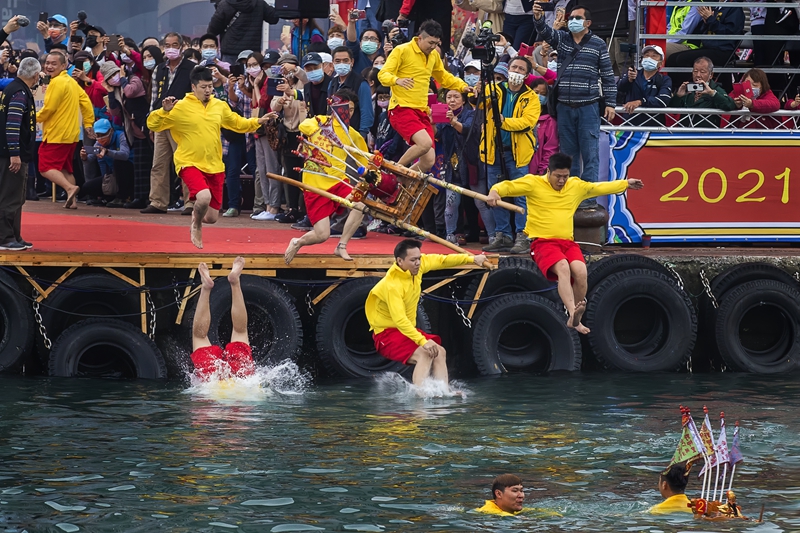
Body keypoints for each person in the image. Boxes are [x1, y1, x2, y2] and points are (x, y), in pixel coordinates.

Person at [486, 153, 643, 334]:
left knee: (581, 271)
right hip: (543, 243)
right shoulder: (533, 183)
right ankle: (572, 315)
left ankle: (575, 314)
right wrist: (494, 192)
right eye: (558, 176)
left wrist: (626, 183)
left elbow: (598, 187)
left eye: (565, 177)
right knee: (563, 267)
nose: (561, 181)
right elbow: (507, 186)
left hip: (567, 243)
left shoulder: (575, 185)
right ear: (548, 171)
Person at [146, 65, 272, 249]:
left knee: (212, 218)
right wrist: (164, 111)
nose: (208, 90)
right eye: (203, 87)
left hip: (214, 165)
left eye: (210, 86)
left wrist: (258, 121)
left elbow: (236, 123)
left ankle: (198, 218)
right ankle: (195, 225)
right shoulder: (179, 107)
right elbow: (153, 124)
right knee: (203, 197)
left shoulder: (219, 105)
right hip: (189, 162)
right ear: (193, 87)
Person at [366, 239, 487, 391]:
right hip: (386, 334)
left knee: (439, 352)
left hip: (407, 330)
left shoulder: (419, 267)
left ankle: (443, 393)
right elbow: (400, 320)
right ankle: (420, 398)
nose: (417, 263)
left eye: (419, 258)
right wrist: (423, 341)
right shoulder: (392, 286)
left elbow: (442, 260)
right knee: (425, 354)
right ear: (400, 261)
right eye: (413, 260)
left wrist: (472, 259)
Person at [533, 2, 616, 196]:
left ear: (588, 22)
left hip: (589, 107)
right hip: (565, 107)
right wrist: (537, 18)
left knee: (590, 156)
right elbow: (545, 33)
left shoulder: (598, 43)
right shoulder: (562, 39)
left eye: (577, 18)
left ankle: (587, 200)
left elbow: (608, 75)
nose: (573, 21)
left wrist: (611, 103)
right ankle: (571, 197)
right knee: (568, 156)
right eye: (571, 18)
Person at [283, 91, 370, 264]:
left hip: (338, 182)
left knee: (360, 205)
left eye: (352, 110)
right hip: (315, 185)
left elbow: (364, 159)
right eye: (345, 109)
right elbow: (303, 126)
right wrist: (319, 130)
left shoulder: (352, 134)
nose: (348, 113)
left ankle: (342, 246)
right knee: (322, 234)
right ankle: (297, 242)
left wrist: (369, 172)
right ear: (335, 107)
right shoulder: (319, 122)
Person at [378, 20, 468, 174]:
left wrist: (463, 86)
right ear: (420, 38)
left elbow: (444, 77)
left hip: (421, 111)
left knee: (428, 161)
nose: (433, 46)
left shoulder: (433, 55)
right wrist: (396, 80)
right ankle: (391, 173)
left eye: (436, 43)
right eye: (431, 42)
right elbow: (382, 74)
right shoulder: (402, 50)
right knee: (425, 143)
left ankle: (399, 182)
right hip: (401, 108)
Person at [477, 56, 541, 254]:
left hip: (517, 154)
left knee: (521, 195)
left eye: (521, 69)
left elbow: (527, 123)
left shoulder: (531, 98)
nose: (516, 71)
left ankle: (523, 235)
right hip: (493, 151)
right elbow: (480, 104)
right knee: (496, 195)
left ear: (527, 75)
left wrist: (503, 121)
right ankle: (502, 235)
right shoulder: (495, 89)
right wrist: (479, 91)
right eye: (514, 67)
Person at [141, 33, 196, 215]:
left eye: (174, 44)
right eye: (167, 45)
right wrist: (152, 120)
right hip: (162, 120)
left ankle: (190, 202)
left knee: (184, 163)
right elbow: (154, 97)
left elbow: (196, 98)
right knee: (159, 163)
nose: (170, 48)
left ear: (181, 47)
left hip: (182, 123)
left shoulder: (191, 68)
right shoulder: (159, 69)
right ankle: (158, 201)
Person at [36, 52, 95, 210]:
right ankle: (73, 200)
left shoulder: (57, 82)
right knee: (65, 168)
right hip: (71, 134)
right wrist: (88, 123)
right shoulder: (71, 81)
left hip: (57, 134)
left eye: (54, 64)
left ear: (63, 66)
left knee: (45, 167)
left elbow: (49, 108)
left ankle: (70, 189)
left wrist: (32, 117)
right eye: (47, 63)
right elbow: (86, 102)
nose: (49, 66)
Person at [191, 257, 256, 380]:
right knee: (238, 332)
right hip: (241, 385)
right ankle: (232, 282)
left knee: (239, 331)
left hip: (215, 385)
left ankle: (209, 286)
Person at [0, 57, 40, 251]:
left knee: (17, 196)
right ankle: (5, 238)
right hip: (12, 155)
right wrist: (14, 153)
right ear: (35, 75)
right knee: (9, 196)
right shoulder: (19, 92)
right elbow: (13, 124)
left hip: (15, 153)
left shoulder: (14, 88)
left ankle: (14, 235)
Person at [665, 4, 744, 74]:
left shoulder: (734, 9)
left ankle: (688, 86)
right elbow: (706, 29)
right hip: (708, 47)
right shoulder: (716, 7)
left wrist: (710, 19)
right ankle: (676, 88)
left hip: (722, 50)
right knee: (673, 58)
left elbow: (729, 32)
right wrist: (706, 22)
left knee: (682, 59)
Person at [79, 118, 134, 207]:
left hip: (128, 173)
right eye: (98, 135)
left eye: (103, 134)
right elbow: (90, 159)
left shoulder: (121, 136)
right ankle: (108, 197)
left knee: (119, 162)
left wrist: (107, 152)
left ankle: (122, 197)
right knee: (87, 187)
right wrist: (84, 158)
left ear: (111, 131)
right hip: (111, 176)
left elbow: (125, 155)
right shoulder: (98, 143)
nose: (101, 138)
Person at [669, 57, 736, 128]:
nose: (698, 75)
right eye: (695, 71)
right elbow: (673, 111)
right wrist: (678, 96)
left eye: (702, 72)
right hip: (684, 134)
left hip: (706, 135)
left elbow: (729, 105)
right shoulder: (687, 88)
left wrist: (712, 93)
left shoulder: (716, 89)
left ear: (711, 75)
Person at [207, 0, 280, 65]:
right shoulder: (259, 3)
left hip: (230, 53)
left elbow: (213, 30)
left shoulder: (225, 4)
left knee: (229, 78)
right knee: (252, 78)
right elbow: (273, 18)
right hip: (252, 54)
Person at [617, 45, 672, 125]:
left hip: (654, 128)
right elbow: (618, 90)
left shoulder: (664, 79)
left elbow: (663, 100)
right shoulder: (632, 74)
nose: (649, 58)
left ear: (661, 63)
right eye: (646, 55)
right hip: (629, 126)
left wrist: (641, 102)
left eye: (654, 56)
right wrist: (628, 80)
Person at [329, 46, 373, 138]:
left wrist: (361, 136)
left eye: (345, 60)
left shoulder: (361, 83)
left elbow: (366, 113)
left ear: (352, 62)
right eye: (337, 61)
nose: (341, 63)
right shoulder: (332, 83)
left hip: (354, 135)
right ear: (332, 63)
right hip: (335, 135)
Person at [345, 10, 384, 74]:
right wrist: (351, 23)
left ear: (379, 45)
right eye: (365, 38)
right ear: (360, 44)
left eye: (373, 38)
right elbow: (352, 41)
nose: (369, 41)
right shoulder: (357, 56)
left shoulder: (383, 58)